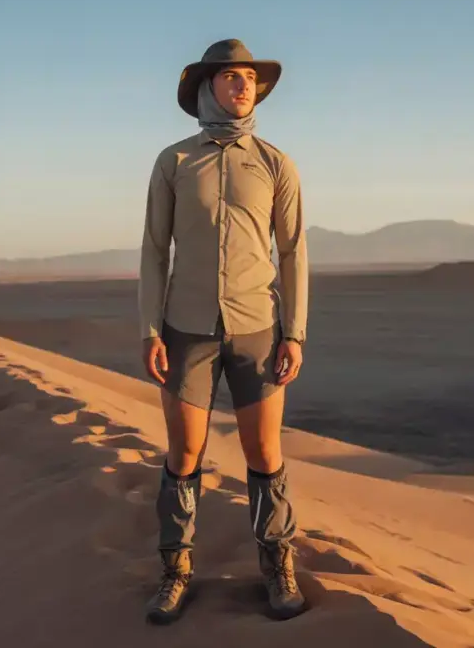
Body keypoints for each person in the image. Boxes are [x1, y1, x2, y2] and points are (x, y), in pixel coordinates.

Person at [137, 38, 309, 624]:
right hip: (185, 330)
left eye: (250, 78)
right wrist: (148, 329)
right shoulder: (175, 161)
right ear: (207, 86)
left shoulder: (275, 163)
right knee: (185, 453)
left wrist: (296, 333)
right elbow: (155, 251)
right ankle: (175, 572)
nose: (243, 86)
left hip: (258, 327)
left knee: (264, 451)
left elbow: (292, 252)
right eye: (232, 77)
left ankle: (277, 565)